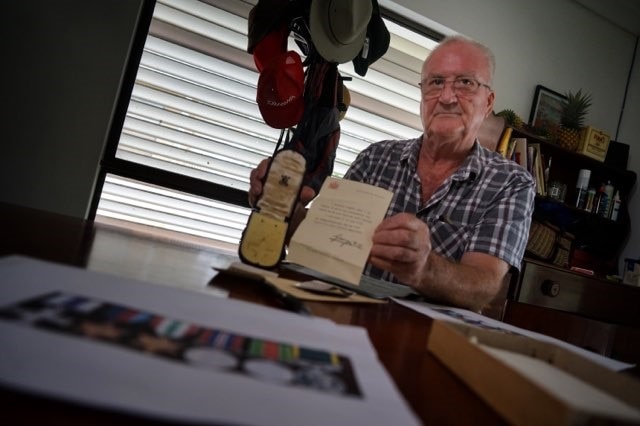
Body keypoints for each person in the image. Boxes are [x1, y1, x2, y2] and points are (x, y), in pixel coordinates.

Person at [249, 35, 535, 311]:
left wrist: (424, 267)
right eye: (436, 82)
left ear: (487, 103)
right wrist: (284, 208)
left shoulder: (511, 183)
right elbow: (323, 249)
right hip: (344, 317)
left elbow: (482, 286)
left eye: (465, 83)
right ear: (423, 95)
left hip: (431, 340)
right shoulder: (375, 158)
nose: (447, 97)